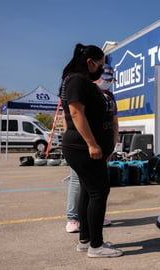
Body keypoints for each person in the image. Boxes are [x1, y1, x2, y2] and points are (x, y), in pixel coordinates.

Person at [59, 43, 122, 258]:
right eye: (100, 65)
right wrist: (92, 144)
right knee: (99, 192)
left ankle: (86, 240)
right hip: (83, 148)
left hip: (84, 147)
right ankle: (97, 246)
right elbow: (76, 114)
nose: (101, 69)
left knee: (88, 191)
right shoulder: (77, 80)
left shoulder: (79, 80)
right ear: (90, 62)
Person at [65, 64, 118, 233]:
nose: (108, 82)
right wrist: (88, 144)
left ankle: (94, 217)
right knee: (79, 182)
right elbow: (72, 118)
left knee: (95, 190)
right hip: (83, 147)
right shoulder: (82, 91)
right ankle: (73, 219)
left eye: (111, 80)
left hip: (101, 147)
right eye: (106, 79)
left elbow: (114, 122)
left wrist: (111, 146)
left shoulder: (109, 95)